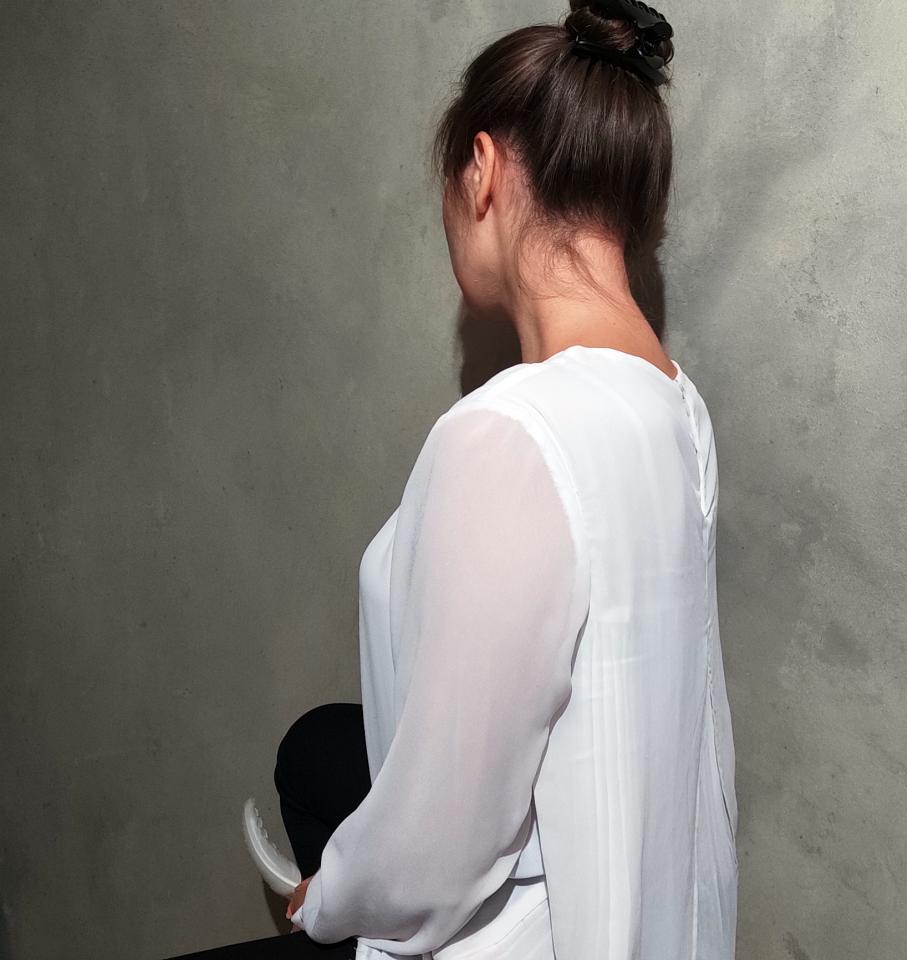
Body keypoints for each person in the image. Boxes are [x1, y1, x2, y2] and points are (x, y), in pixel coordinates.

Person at [274, 1, 738, 957]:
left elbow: (441, 848)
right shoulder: (677, 411)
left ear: (480, 170)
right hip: (654, 927)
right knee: (318, 749)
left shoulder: (508, 433)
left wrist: (328, 901)